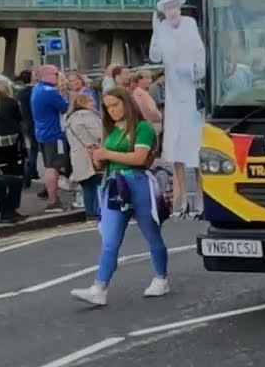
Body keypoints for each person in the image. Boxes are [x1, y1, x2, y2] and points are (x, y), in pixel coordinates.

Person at [70, 88, 170, 306]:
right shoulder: (111, 130)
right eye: (107, 107)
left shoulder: (143, 128)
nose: (112, 110)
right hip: (114, 184)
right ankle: (99, 288)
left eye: (115, 105)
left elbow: (139, 158)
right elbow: (101, 164)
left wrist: (106, 154)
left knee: (151, 233)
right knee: (110, 240)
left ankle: (161, 278)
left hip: (138, 182)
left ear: (127, 103)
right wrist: (95, 156)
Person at [148, 0, 205, 218]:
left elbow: (201, 62)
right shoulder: (162, 28)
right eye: (168, 8)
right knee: (177, 152)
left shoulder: (190, 25)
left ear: (179, 6)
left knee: (196, 151)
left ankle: (201, 200)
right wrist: (154, 31)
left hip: (190, 96)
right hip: (174, 97)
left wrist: (187, 68)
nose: (172, 11)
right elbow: (154, 57)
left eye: (174, 6)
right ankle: (181, 201)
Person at [30, 64, 70, 212]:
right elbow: (66, 107)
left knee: (49, 166)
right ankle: (53, 200)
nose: (58, 76)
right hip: (55, 133)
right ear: (45, 75)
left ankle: (51, 196)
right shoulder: (50, 92)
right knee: (54, 167)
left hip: (42, 132)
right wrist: (64, 91)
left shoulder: (37, 89)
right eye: (55, 74)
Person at [64, 92, 104, 223]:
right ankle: (98, 211)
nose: (93, 103)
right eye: (90, 101)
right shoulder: (87, 116)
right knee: (98, 184)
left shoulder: (69, 119)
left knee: (87, 187)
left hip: (77, 156)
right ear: (83, 103)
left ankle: (90, 213)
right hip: (91, 154)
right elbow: (99, 134)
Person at [0, 74, 25, 225]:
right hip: (12, 146)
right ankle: (11, 209)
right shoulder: (10, 102)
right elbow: (20, 120)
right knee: (15, 178)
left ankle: (4, 210)